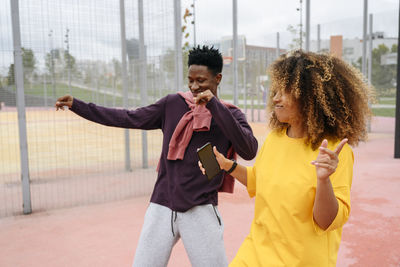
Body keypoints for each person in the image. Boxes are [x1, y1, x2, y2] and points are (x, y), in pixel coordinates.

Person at [55, 45, 258, 267]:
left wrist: (215, 107)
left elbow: (249, 150)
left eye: (201, 80)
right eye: (190, 79)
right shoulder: (172, 104)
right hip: (161, 207)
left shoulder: (230, 114)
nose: (194, 86)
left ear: (217, 78)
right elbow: (127, 117)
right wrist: (79, 106)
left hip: (200, 210)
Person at [200, 50, 372, 266]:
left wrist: (323, 179)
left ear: (309, 97)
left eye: (285, 91)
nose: (275, 98)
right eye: (276, 90)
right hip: (255, 254)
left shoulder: (335, 152)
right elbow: (259, 179)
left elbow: (326, 220)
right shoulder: (275, 138)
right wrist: (227, 166)